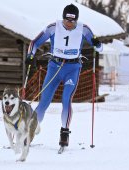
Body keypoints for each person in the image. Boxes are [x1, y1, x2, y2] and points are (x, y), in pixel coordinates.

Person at [26, 4, 103, 148]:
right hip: (54, 67)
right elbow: (34, 43)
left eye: (72, 21)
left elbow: (99, 47)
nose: (69, 24)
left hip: (73, 68)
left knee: (66, 99)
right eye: (67, 20)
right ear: (63, 18)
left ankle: (64, 132)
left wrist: (97, 43)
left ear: (76, 20)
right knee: (44, 102)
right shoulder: (53, 27)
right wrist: (30, 55)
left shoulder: (84, 29)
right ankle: (30, 132)